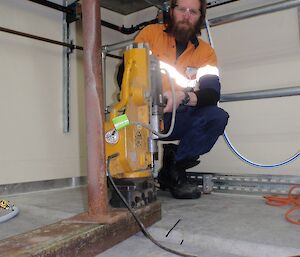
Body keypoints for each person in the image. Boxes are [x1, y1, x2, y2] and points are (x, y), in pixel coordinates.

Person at [118, 0, 229, 199]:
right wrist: (149, 100)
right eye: (181, 9)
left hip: (178, 116)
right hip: (141, 113)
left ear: (200, 17)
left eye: (193, 11)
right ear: (172, 11)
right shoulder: (150, 34)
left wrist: (182, 97)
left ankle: (174, 169)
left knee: (217, 117)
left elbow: (211, 94)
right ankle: (120, 174)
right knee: (113, 126)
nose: (186, 15)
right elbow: (124, 73)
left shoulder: (206, 53)